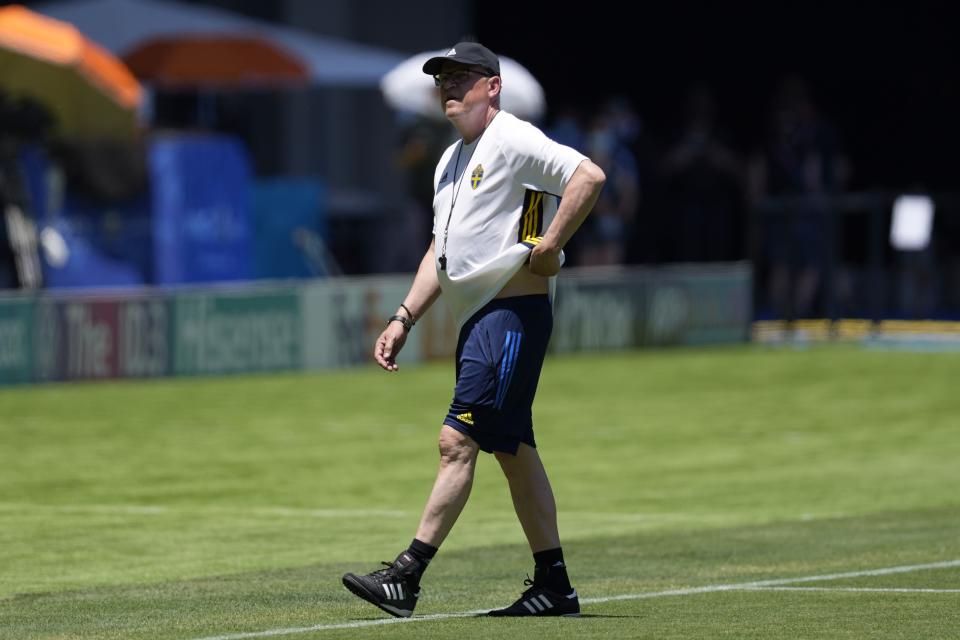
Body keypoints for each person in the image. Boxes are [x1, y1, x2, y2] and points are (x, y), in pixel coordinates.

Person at [341, 41, 605, 619]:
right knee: (514, 452)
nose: (448, 88)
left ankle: (406, 575)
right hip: (482, 320)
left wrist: (554, 243)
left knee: (457, 439)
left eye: (462, 78)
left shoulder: (512, 137)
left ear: (493, 86)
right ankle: (554, 585)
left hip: (509, 317)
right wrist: (403, 317)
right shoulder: (450, 160)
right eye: (442, 80)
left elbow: (587, 175)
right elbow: (443, 249)